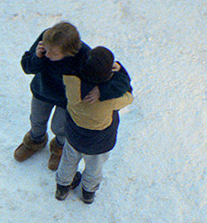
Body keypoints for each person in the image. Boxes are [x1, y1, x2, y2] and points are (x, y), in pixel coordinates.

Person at [16, 21, 133, 170]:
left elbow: (117, 81)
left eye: (54, 53)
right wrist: (37, 57)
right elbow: (27, 67)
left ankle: (59, 148)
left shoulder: (85, 56)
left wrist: (101, 90)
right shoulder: (47, 40)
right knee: (37, 119)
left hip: (67, 101)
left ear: (69, 52)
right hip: (42, 90)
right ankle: (35, 141)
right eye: (47, 50)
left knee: (59, 127)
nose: (48, 55)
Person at [55, 46, 134, 204]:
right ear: (108, 74)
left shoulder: (71, 83)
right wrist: (119, 73)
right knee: (94, 167)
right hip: (99, 142)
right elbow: (129, 95)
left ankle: (62, 187)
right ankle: (88, 192)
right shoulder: (110, 99)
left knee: (68, 160)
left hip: (74, 135)